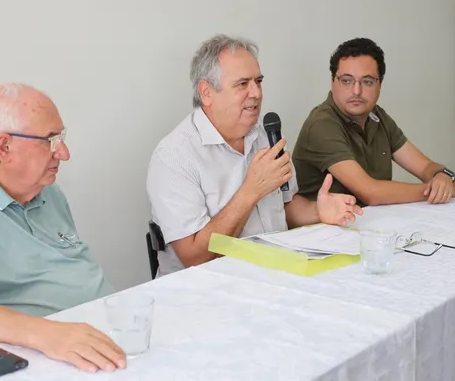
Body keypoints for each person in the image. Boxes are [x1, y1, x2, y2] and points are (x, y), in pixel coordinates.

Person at [0, 83, 126, 374]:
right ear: (4, 146)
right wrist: (50, 334)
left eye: (62, 138)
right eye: (50, 140)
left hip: (100, 338)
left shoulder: (48, 191)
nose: (64, 153)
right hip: (41, 358)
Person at [146, 34, 363, 277]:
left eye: (258, 82)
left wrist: (317, 211)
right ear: (206, 92)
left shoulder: (263, 135)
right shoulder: (174, 156)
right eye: (242, 84)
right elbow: (195, 257)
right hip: (204, 292)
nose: (256, 93)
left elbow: (286, 207)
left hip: (274, 277)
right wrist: (252, 189)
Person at [292, 38, 455, 207]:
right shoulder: (322, 124)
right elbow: (370, 192)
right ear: (333, 82)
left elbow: (424, 166)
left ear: (380, 84)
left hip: (369, 224)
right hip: (321, 234)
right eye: (346, 81)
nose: (356, 91)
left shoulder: (376, 115)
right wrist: (437, 191)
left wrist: (442, 177)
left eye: (367, 82)